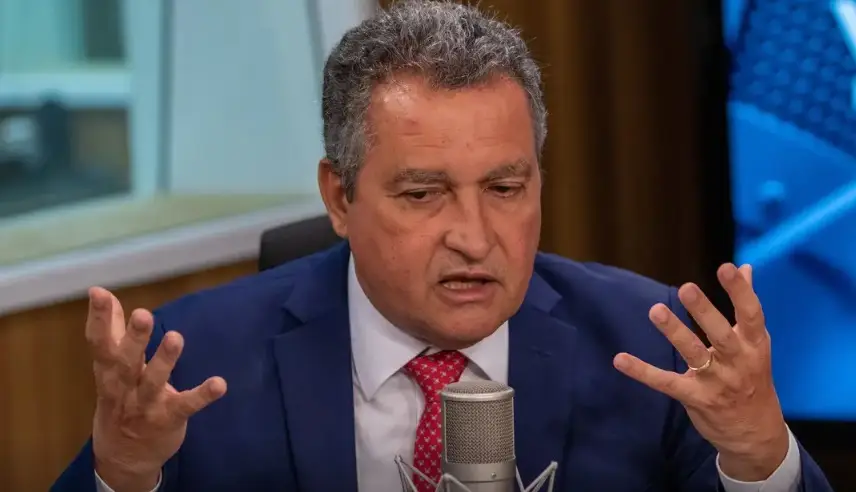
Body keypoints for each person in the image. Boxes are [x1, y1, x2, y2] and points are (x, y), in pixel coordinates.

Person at [53, 2, 832, 491]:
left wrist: (760, 458)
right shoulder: (196, 364)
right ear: (340, 197)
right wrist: (124, 474)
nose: (475, 236)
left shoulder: (652, 348)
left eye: (505, 187)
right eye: (423, 194)